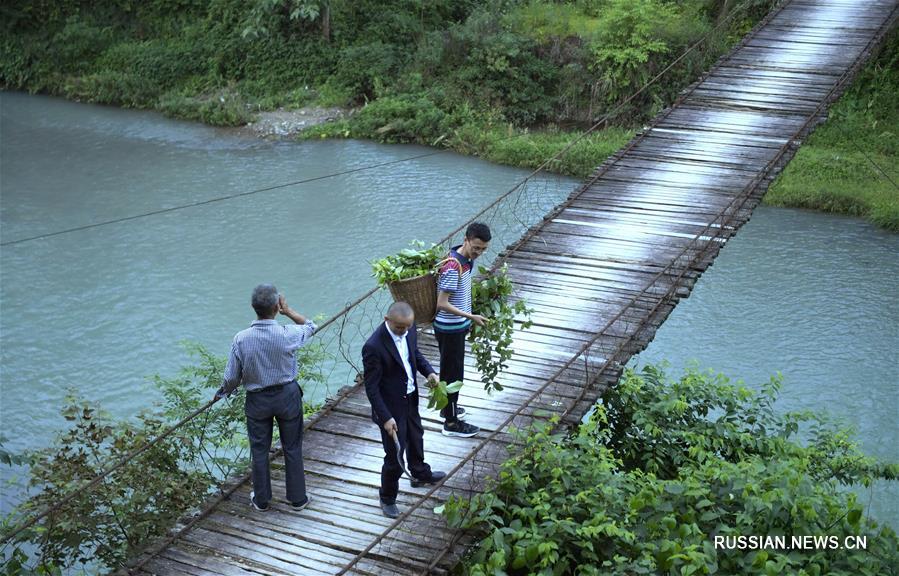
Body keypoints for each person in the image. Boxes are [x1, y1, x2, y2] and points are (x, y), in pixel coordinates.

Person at [215, 284, 315, 512]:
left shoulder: (241, 339)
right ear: (276, 307)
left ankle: (261, 499)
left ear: (253, 307)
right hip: (287, 397)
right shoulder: (287, 334)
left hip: (257, 400)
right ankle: (298, 498)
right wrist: (289, 312)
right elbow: (311, 326)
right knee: (292, 447)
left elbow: (231, 377)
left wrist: (222, 392)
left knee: (259, 450)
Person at [363, 301, 447, 518]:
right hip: (390, 408)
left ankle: (419, 473)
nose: (404, 331)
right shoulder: (373, 346)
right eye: (400, 328)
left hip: (410, 397)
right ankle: (387, 497)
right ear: (387, 320)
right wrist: (385, 418)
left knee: (416, 436)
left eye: (408, 327)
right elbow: (371, 388)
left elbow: (415, 355)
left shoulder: (410, 332)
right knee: (395, 455)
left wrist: (429, 372)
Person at [433, 222, 491, 438]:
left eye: (483, 249)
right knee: (452, 374)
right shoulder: (453, 266)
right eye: (476, 247)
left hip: (456, 327)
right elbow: (442, 303)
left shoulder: (466, 261)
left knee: (452, 371)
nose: (479, 253)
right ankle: (450, 422)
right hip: (449, 329)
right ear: (466, 240)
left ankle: (448, 409)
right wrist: (471, 317)